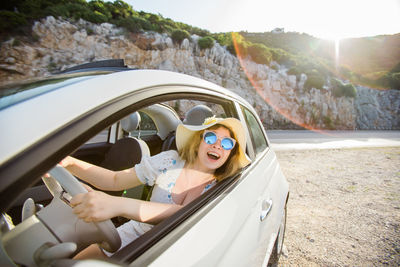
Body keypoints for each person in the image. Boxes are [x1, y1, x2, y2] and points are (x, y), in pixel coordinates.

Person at [61, 116, 250, 259]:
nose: (217, 145)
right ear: (199, 141)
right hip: (134, 234)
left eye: (227, 143)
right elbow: (115, 180)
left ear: (230, 153)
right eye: (211, 137)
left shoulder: (223, 186)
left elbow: (182, 213)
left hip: (176, 255)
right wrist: (69, 163)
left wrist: (117, 205)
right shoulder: (170, 160)